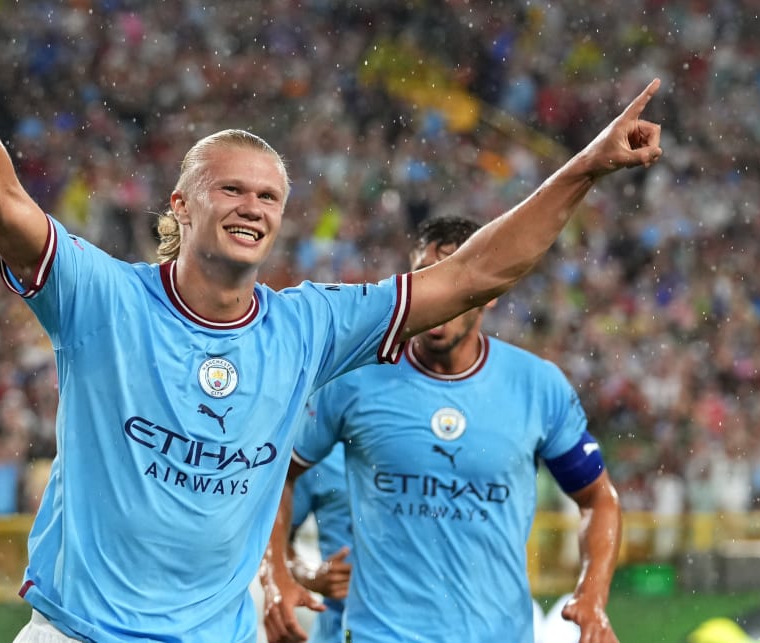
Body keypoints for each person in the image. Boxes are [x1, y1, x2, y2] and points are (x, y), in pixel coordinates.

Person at [0, 0, 660, 638]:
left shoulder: (308, 326)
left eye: (270, 196)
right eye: (232, 189)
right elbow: (0, 199)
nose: (253, 206)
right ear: (180, 204)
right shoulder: (103, 299)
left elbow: (474, 274)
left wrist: (583, 168)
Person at [262, 216, 624, 643]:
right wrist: (279, 573)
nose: (441, 297)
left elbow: (598, 498)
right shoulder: (355, 378)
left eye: (458, 280)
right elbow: (274, 473)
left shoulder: (536, 386)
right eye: (428, 278)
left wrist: (592, 593)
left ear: (490, 292)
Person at [265, 443, 352, 643]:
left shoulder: (436, 440)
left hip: (433, 628)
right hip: (342, 631)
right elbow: (274, 538)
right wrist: (309, 576)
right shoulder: (318, 452)